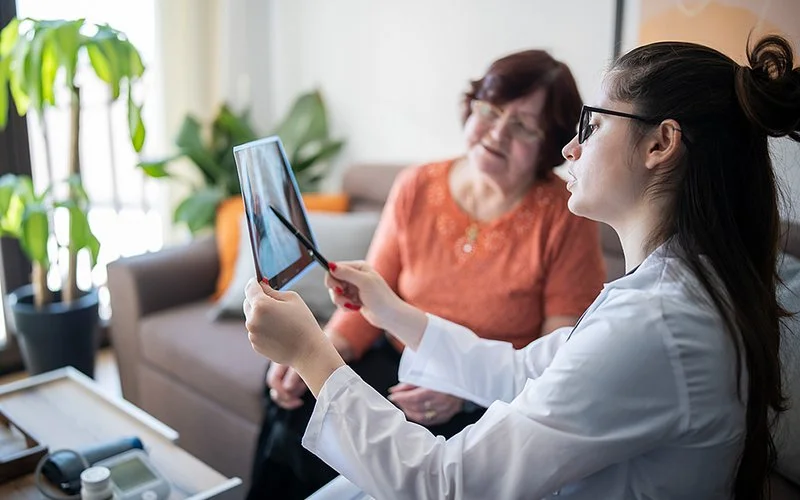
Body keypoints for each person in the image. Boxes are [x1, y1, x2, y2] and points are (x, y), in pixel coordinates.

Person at [245, 34, 800, 499]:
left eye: (594, 125)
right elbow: (520, 373)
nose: (571, 150)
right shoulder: (666, 291)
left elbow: (450, 484)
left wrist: (308, 354)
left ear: (661, 144)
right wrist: (388, 309)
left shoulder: (657, 322)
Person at [246, 50, 607, 498]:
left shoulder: (565, 214)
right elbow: (369, 297)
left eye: (522, 126)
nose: (497, 133)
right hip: (397, 360)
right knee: (294, 393)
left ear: (549, 143)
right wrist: (325, 346)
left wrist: (466, 391)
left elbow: (557, 356)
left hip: (486, 393)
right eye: (490, 111)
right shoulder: (417, 185)